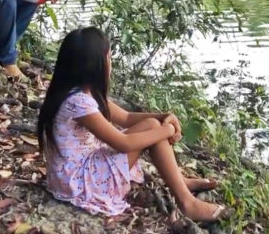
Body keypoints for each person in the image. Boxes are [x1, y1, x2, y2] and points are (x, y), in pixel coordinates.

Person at [37, 27, 230, 221]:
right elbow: (123, 143)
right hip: (78, 181)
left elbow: (127, 117)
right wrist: (168, 129)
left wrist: (164, 116)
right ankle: (187, 203)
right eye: (109, 58)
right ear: (95, 65)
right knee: (153, 127)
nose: (111, 63)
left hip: (75, 171)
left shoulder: (81, 92)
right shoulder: (77, 102)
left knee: (153, 124)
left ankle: (180, 182)